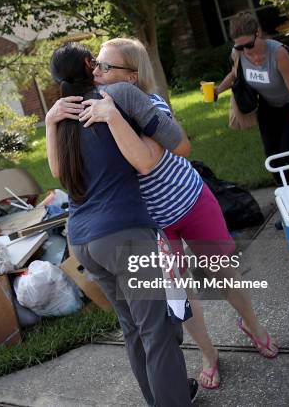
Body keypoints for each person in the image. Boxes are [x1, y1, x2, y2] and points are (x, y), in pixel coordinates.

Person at [47, 38, 278, 390]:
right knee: (179, 296)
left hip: (189, 202)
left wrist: (114, 117)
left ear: (133, 77)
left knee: (223, 273)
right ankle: (208, 355)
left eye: (107, 67)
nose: (98, 72)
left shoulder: (143, 104)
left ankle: (254, 326)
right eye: (97, 66)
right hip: (153, 222)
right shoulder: (94, 110)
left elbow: (159, 155)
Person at [47, 42, 197, 406]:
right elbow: (179, 145)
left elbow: (59, 176)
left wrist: (51, 121)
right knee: (157, 330)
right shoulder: (120, 96)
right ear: (89, 64)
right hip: (124, 236)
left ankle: (169, 393)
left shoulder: (62, 116)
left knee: (133, 329)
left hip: (81, 239)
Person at [214, 11, 289, 186]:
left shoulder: (278, 54)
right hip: (269, 104)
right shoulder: (238, 53)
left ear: (258, 33)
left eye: (248, 44)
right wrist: (217, 90)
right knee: (273, 159)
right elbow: (234, 74)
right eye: (240, 46)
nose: (245, 49)